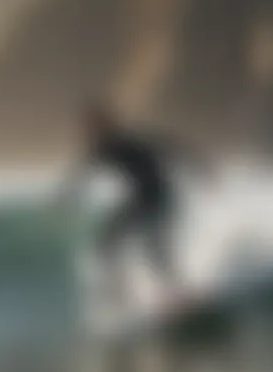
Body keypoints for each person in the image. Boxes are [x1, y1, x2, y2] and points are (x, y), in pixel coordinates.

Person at [59, 103, 207, 306]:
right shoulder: (103, 147)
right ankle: (125, 293)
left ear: (106, 124)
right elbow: (83, 174)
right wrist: (68, 196)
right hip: (142, 198)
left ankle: (181, 297)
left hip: (158, 197)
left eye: (95, 125)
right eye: (90, 126)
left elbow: (171, 148)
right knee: (109, 243)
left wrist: (201, 168)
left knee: (152, 249)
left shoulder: (126, 142)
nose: (90, 130)